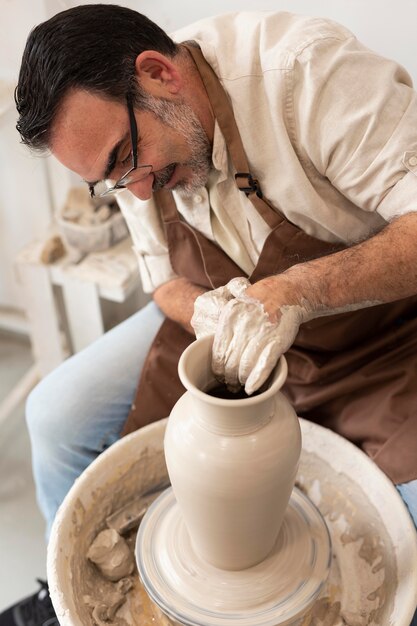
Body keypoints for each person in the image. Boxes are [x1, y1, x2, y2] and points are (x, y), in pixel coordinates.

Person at [2, 4, 417, 625]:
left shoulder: (304, 72)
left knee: (406, 531)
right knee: (56, 415)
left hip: (376, 333)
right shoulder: (139, 161)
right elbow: (163, 283)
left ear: (159, 74)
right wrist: (214, 315)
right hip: (227, 319)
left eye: (124, 160)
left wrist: (296, 293)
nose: (137, 192)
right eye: (110, 182)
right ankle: (88, 588)